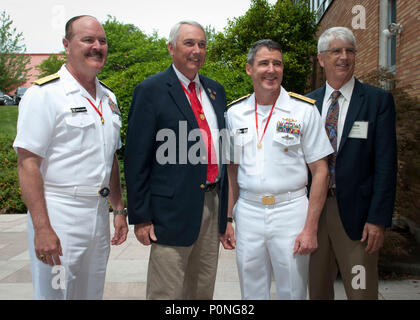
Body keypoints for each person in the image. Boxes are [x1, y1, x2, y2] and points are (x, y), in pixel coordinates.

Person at [13, 15, 128, 300]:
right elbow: (28, 164)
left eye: (102, 41)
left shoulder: (107, 98)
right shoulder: (45, 95)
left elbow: (109, 155)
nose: (97, 46)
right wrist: (42, 228)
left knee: (90, 293)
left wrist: (118, 208)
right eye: (87, 40)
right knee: (57, 292)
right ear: (67, 44)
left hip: (97, 214)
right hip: (59, 212)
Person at [124, 20, 228, 300]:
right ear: (171, 48)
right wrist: (141, 216)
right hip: (169, 213)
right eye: (189, 43)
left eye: (202, 44)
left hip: (212, 204)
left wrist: (226, 213)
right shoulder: (151, 91)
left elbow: (225, 152)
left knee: (201, 290)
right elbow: (136, 159)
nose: (197, 50)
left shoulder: (216, 92)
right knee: (166, 293)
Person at [222, 39, 333, 300]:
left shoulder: (303, 110)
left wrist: (310, 228)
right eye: (264, 63)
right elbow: (232, 172)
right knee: (251, 290)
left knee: (293, 291)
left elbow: (321, 171)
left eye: (277, 63)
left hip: (291, 212)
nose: (271, 69)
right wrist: (228, 219)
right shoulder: (234, 113)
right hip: (248, 213)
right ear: (249, 69)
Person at [306, 27, 397, 300]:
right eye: (336, 51)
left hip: (358, 218)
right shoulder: (307, 104)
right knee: (318, 291)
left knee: (361, 292)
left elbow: (386, 165)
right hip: (314, 214)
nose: (344, 57)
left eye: (349, 50)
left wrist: (378, 219)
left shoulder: (376, 101)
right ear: (322, 59)